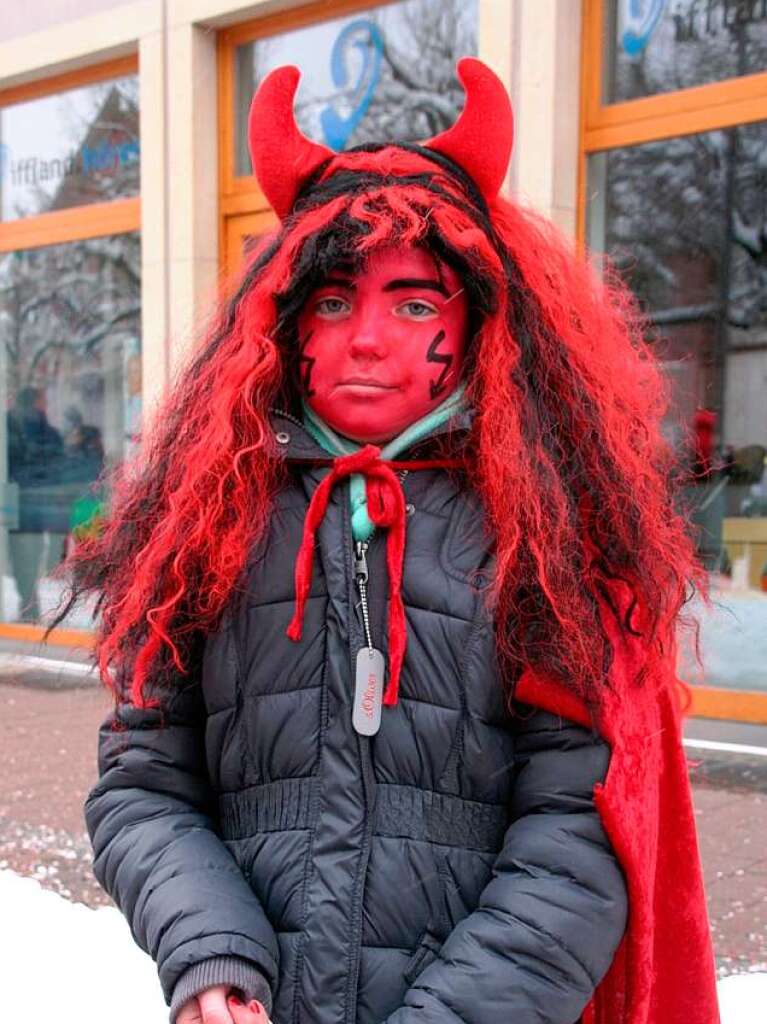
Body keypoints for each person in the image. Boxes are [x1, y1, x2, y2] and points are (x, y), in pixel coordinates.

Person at [49, 59, 720, 1024]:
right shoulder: (208, 522)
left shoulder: (549, 535)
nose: (366, 337)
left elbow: (585, 833)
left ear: (483, 324)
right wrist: (214, 958)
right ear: (280, 323)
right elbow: (143, 787)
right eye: (331, 302)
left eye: (413, 306)